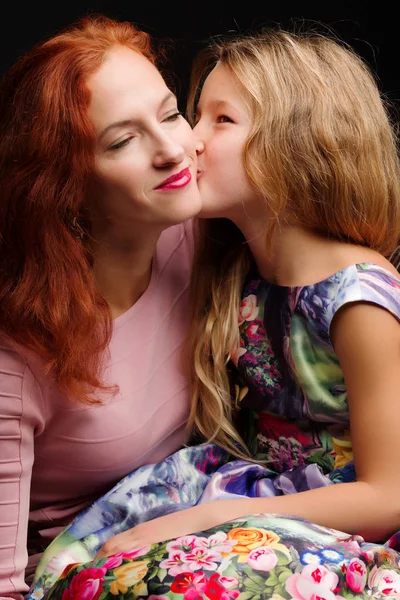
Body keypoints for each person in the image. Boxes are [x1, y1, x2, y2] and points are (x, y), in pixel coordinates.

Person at [41, 26, 400, 600]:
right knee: (94, 567)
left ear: (297, 144)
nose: (190, 142)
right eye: (195, 115)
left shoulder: (356, 297)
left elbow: (388, 495)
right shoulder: (237, 268)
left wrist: (199, 520)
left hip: (341, 524)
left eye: (221, 121)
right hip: (251, 488)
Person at [0, 13, 215, 600]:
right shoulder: (17, 354)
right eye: (123, 140)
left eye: (171, 113)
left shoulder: (200, 231)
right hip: (87, 567)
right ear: (64, 184)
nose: (174, 150)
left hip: (204, 522)